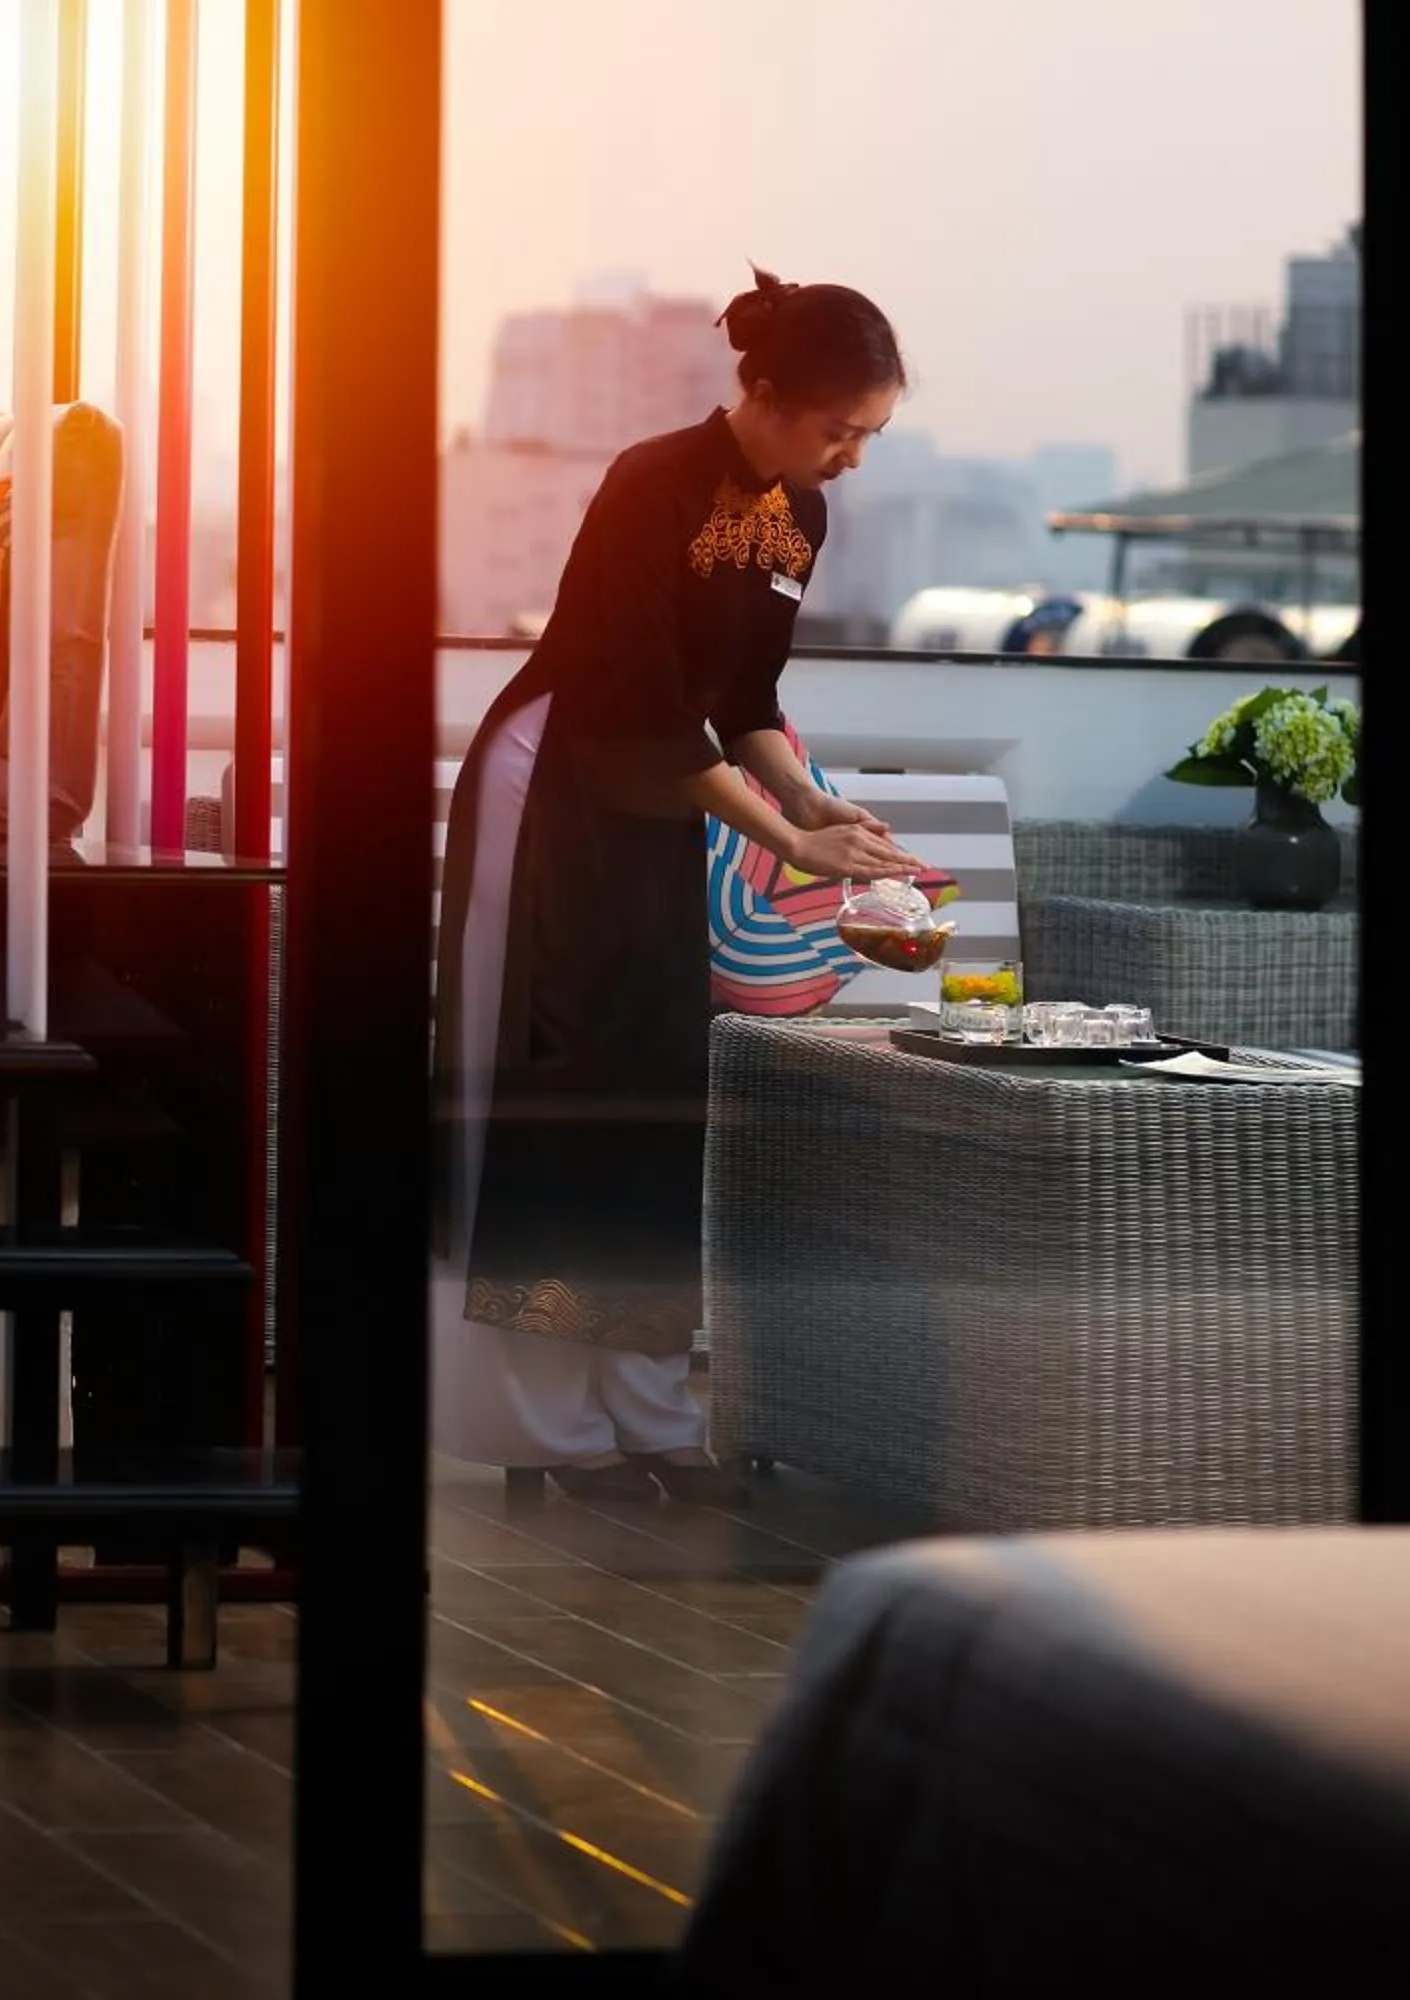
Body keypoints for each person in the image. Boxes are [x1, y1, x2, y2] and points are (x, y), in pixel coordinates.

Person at [432, 267, 920, 1505]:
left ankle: (648, 1420)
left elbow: (740, 698)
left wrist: (808, 805)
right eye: (836, 428)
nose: (850, 457)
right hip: (554, 786)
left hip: (659, 796)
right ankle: (549, 1433)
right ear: (759, 390)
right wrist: (785, 839)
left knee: (651, 1092)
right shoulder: (648, 482)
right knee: (553, 1094)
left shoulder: (799, 514)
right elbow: (639, 698)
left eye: (867, 435)